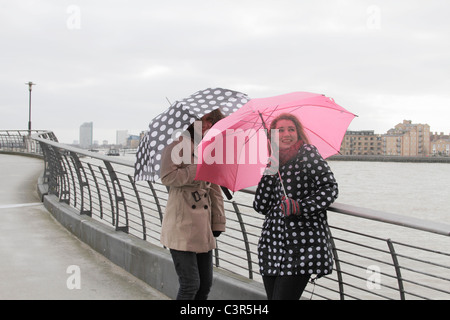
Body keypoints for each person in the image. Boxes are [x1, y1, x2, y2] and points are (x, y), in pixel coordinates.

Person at [253, 113, 338, 300]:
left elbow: (330, 188)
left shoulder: (307, 153)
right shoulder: (273, 160)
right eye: (280, 130)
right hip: (272, 246)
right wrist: (271, 167)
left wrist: (300, 206)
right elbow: (260, 205)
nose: (286, 134)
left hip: (301, 246)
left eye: (291, 129)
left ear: (298, 133)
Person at [160, 109, 226, 300]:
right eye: (203, 120)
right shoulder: (177, 144)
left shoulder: (208, 146)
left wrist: (218, 222)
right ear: (192, 121)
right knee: (190, 285)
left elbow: (214, 189)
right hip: (182, 224)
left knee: (205, 285)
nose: (206, 125)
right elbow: (168, 176)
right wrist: (198, 167)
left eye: (211, 121)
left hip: (203, 227)